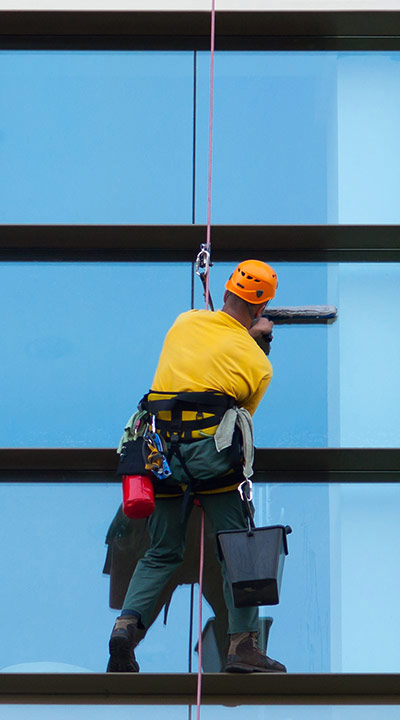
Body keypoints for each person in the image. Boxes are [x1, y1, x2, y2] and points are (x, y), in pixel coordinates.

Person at [107, 259, 286, 674]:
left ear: (225, 294)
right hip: (213, 464)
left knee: (163, 551)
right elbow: (241, 411)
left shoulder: (184, 322)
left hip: (162, 457)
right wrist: (256, 344)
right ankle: (243, 647)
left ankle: (126, 626)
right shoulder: (258, 363)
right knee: (236, 549)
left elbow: (207, 338)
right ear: (259, 311)